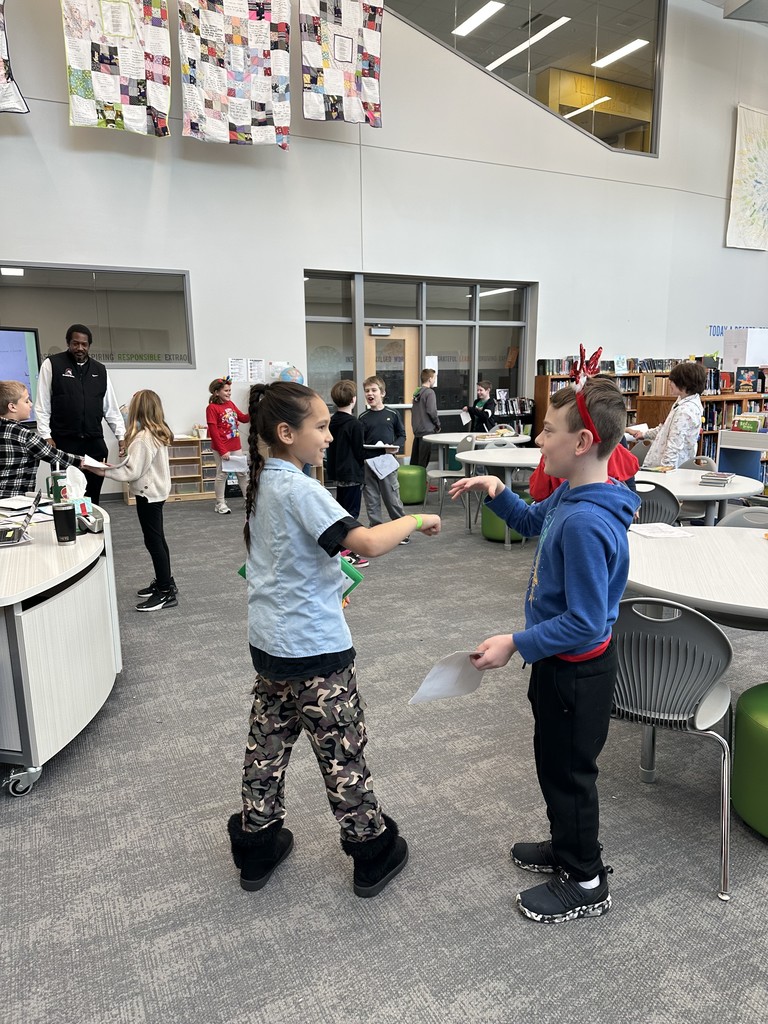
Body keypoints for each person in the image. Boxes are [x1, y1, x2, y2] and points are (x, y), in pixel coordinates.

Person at [227, 381, 441, 896]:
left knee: (267, 747)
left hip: (272, 646)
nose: (328, 437)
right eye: (320, 427)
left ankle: (256, 845)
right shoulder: (303, 488)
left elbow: (285, 561)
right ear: (286, 432)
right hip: (316, 654)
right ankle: (372, 851)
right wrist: (415, 518)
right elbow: (365, 540)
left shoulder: (266, 483)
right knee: (342, 754)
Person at [449, 374, 640, 924]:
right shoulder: (570, 495)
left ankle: (585, 879)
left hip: (575, 673)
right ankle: (566, 847)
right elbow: (533, 520)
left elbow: (583, 622)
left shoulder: (584, 521)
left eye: (548, 430)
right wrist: (497, 490)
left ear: (582, 442)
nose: (538, 440)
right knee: (553, 765)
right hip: (560, 667)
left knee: (568, 774)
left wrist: (515, 642)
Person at [97, 390, 177, 612]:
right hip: (156, 493)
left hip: (148, 494)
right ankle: (166, 582)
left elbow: (131, 472)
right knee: (158, 539)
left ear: (138, 409)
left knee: (153, 541)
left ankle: (165, 592)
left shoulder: (142, 439)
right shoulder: (155, 433)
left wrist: (103, 471)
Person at [34, 324, 126, 504]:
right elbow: (42, 404)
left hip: (94, 442)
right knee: (67, 496)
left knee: (92, 495)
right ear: (68, 343)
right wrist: (46, 434)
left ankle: (92, 527)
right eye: (75, 344)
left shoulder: (100, 370)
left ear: (89, 345)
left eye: (84, 344)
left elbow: (111, 408)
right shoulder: (52, 364)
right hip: (64, 442)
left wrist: (120, 436)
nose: (80, 348)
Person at [0, 381, 84, 498]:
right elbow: (58, 456)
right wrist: (89, 463)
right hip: (15, 503)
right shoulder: (24, 435)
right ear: (12, 407)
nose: (31, 404)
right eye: (26, 401)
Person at [627, 361, 707, 468]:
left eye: (673, 381)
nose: (669, 383)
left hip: (668, 468)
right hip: (662, 464)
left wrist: (665, 470)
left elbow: (674, 444)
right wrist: (644, 434)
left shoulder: (685, 411)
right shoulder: (682, 401)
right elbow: (665, 428)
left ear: (683, 383)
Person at [359, 376, 409, 539]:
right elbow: (360, 441)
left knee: (392, 498)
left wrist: (394, 446)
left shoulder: (392, 414)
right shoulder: (363, 417)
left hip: (387, 461)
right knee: (371, 499)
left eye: (374, 390)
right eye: (367, 391)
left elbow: (402, 435)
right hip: (368, 463)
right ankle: (376, 529)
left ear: (382, 393)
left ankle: (403, 531)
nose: (370, 394)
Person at [327, 379, 368, 568]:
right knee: (350, 513)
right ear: (354, 399)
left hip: (336, 472)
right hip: (351, 473)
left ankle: (339, 547)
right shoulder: (355, 424)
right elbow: (360, 452)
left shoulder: (330, 421)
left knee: (340, 510)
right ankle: (346, 551)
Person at [528, 437, 639, 501]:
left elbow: (537, 493)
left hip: (563, 512)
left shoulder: (553, 456)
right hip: (612, 509)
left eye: (549, 430)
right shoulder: (611, 447)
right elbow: (631, 468)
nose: (538, 439)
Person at [206, 377, 250, 515]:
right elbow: (213, 432)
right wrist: (222, 450)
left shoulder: (230, 404)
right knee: (222, 474)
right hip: (221, 447)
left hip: (235, 445)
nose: (229, 393)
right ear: (216, 392)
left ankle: (248, 500)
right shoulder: (212, 408)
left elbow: (242, 418)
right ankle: (220, 503)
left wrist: (255, 410)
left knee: (242, 473)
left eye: (230, 390)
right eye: (226, 390)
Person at [410, 368, 441, 470]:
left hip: (417, 430)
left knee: (416, 460)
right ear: (430, 379)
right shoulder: (430, 393)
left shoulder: (417, 392)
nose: (435, 380)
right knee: (424, 460)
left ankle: (414, 481)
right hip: (427, 431)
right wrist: (437, 424)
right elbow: (431, 411)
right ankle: (422, 483)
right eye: (434, 378)